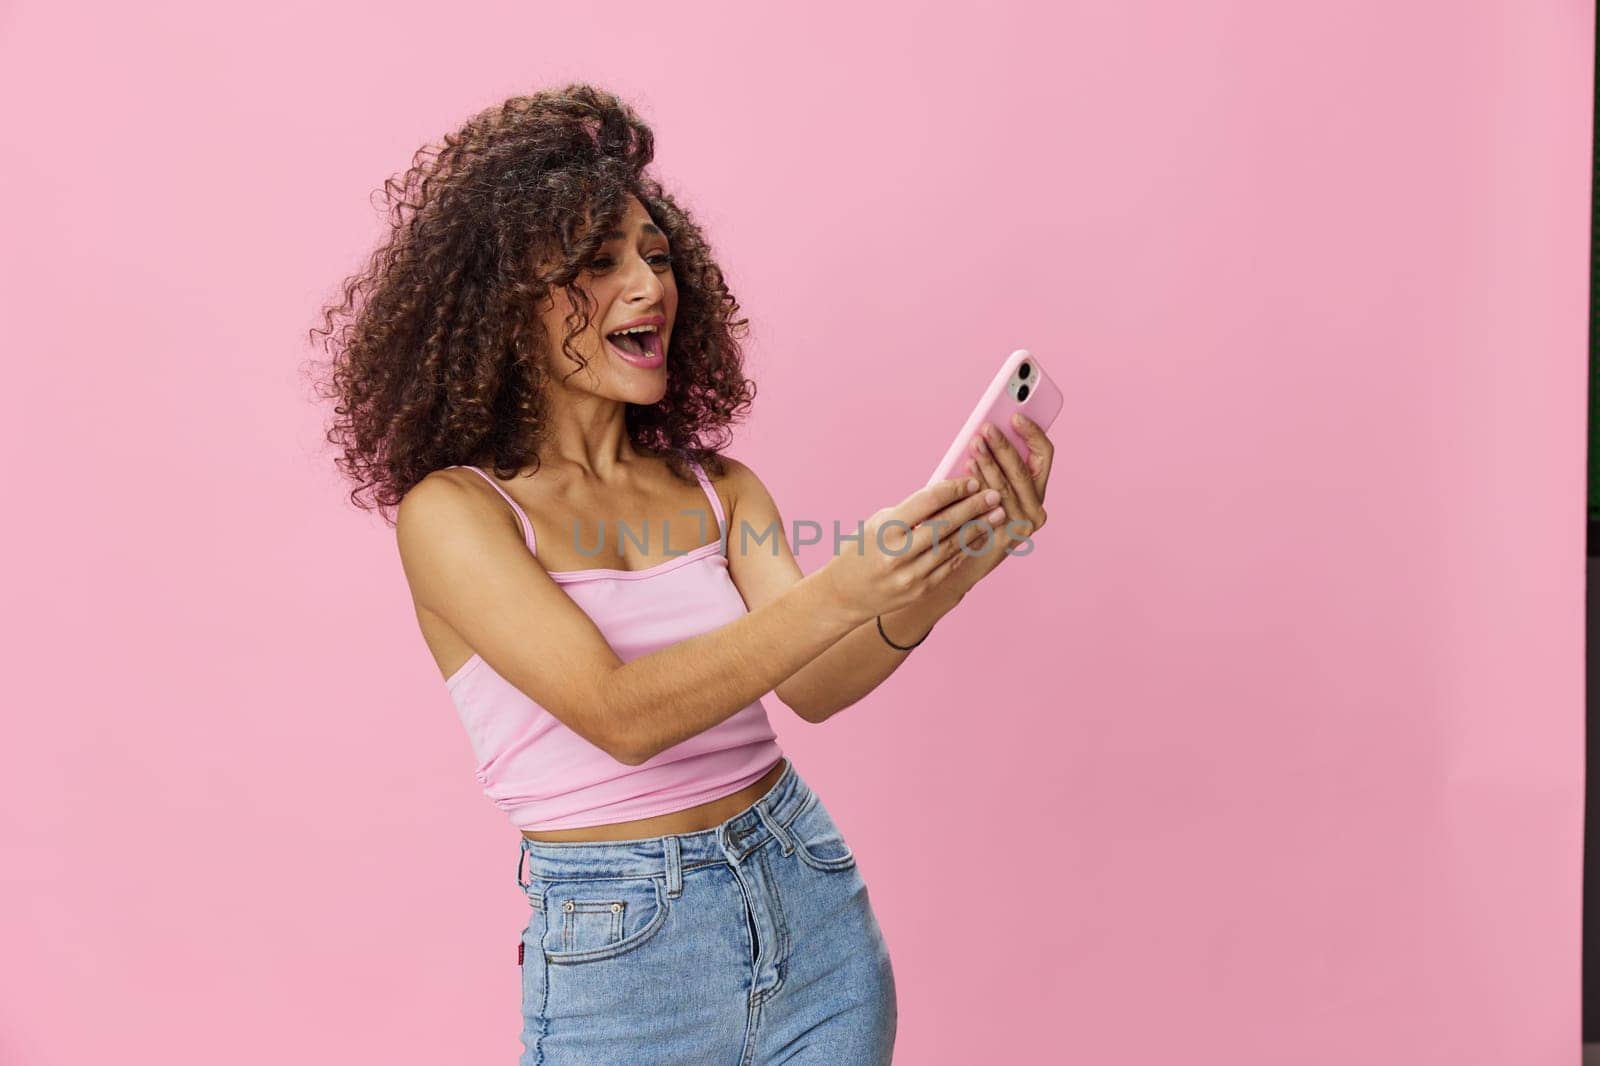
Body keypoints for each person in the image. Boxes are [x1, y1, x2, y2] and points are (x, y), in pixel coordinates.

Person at [309, 83, 1053, 1065]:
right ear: (502, 308)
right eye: (600, 262)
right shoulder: (456, 515)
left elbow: (815, 682)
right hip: (621, 948)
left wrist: (958, 564)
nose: (649, 285)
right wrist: (850, 583)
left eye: (657, 256)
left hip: (805, 892)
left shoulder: (718, 489)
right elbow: (622, 715)